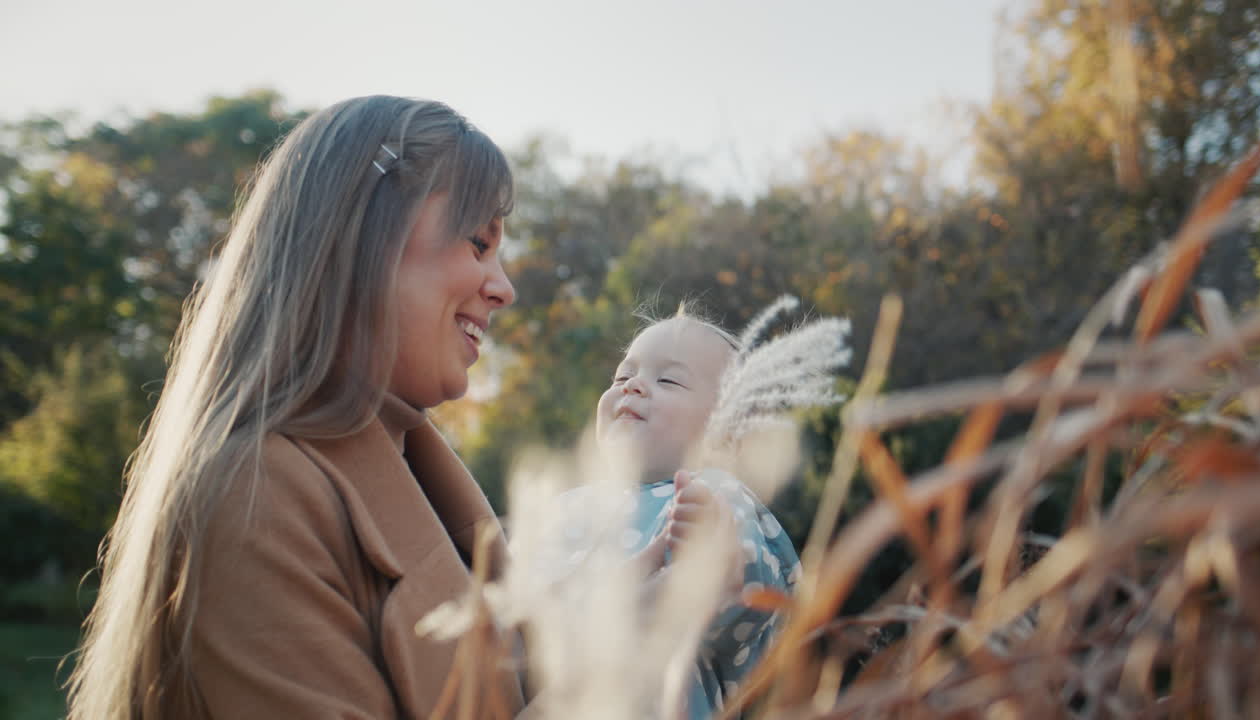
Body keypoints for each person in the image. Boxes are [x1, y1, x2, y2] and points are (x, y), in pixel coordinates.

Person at [68, 95, 526, 719]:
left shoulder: (418, 480)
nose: (504, 288)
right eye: (478, 242)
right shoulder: (256, 495)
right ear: (366, 235)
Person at [581, 307, 812, 719]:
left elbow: (754, 605)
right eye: (621, 376)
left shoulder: (712, 493)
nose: (632, 386)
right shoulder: (568, 504)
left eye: (667, 379)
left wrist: (716, 551)